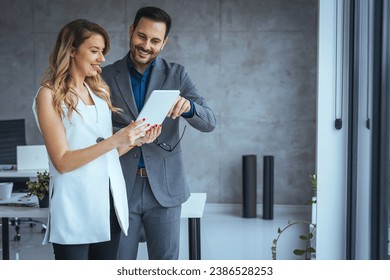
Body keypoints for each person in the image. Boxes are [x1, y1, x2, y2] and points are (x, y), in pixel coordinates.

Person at [32, 19, 161, 260]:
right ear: (71, 51)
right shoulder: (48, 95)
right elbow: (62, 161)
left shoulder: (99, 95)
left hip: (108, 205)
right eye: (94, 51)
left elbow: (106, 156)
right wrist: (115, 140)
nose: (101, 58)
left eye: (103, 52)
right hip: (75, 207)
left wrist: (134, 140)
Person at [101, 6, 216, 260]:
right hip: (121, 186)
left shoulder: (177, 74)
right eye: (142, 36)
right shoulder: (106, 76)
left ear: (164, 43)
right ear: (131, 31)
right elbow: (96, 130)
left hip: (165, 188)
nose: (146, 45)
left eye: (155, 40)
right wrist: (125, 134)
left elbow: (209, 121)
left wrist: (190, 107)